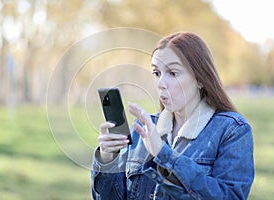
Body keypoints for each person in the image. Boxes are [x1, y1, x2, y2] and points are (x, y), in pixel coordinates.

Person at [91, 32, 254, 199]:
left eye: (173, 73)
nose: (161, 84)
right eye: (156, 73)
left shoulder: (232, 131)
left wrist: (163, 154)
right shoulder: (141, 130)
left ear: (200, 79)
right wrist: (107, 158)